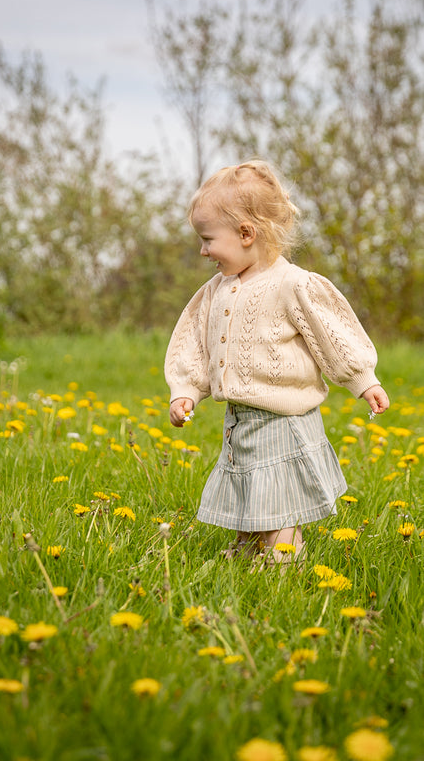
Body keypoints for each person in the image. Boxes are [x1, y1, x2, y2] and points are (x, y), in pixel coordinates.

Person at [164, 160, 389, 566]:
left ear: (246, 234)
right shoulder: (215, 291)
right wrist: (185, 392)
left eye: (208, 239)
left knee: (278, 509)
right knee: (250, 502)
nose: (203, 250)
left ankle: (284, 567)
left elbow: (332, 334)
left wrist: (363, 379)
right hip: (240, 423)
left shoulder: (293, 284)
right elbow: (194, 343)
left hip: (284, 424)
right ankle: (249, 562)